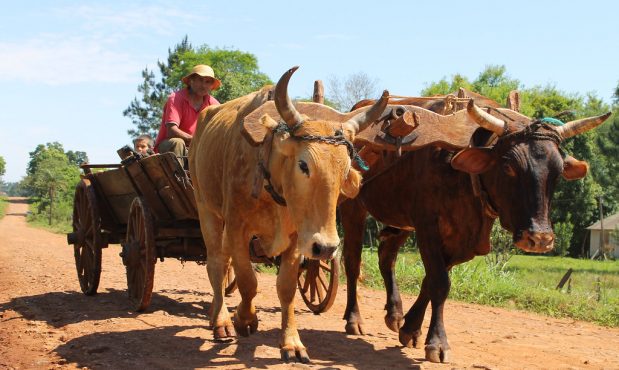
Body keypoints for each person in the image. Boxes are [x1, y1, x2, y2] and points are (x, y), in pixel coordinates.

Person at [154, 64, 221, 159]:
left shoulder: (214, 104)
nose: (203, 85)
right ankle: (178, 174)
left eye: (207, 82)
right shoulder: (176, 98)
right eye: (200, 80)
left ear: (211, 86)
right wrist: (196, 141)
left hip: (198, 148)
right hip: (168, 147)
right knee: (178, 142)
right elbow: (171, 131)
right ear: (191, 81)